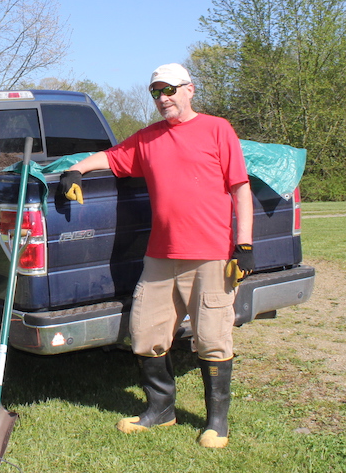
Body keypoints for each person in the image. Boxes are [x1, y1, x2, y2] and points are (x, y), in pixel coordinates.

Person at [58, 63, 254, 449]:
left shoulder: (217, 130)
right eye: (156, 92)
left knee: (212, 337)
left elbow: (240, 189)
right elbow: (111, 157)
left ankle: (217, 421)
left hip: (211, 256)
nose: (163, 98)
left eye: (169, 89)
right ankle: (161, 409)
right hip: (160, 257)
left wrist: (244, 246)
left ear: (189, 89)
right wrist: (75, 171)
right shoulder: (148, 139)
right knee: (146, 331)